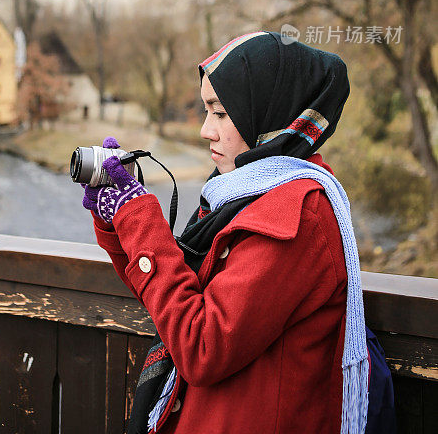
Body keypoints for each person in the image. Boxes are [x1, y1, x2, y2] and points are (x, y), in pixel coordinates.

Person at [82, 31, 369, 434]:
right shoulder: (238, 194)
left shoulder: (300, 213)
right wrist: (118, 221)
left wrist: (137, 215)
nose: (205, 130)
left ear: (267, 112)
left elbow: (201, 346)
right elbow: (172, 302)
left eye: (220, 112)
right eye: (206, 111)